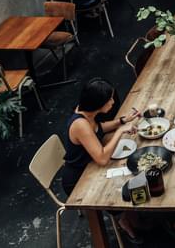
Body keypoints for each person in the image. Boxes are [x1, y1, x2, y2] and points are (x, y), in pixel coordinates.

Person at [61, 78, 142, 242]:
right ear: (98, 103)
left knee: (128, 172)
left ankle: (132, 216)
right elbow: (102, 158)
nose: (113, 102)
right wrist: (120, 131)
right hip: (79, 178)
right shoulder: (80, 124)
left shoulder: (87, 113)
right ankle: (123, 219)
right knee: (120, 185)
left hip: (90, 167)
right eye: (109, 99)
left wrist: (122, 121)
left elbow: (98, 129)